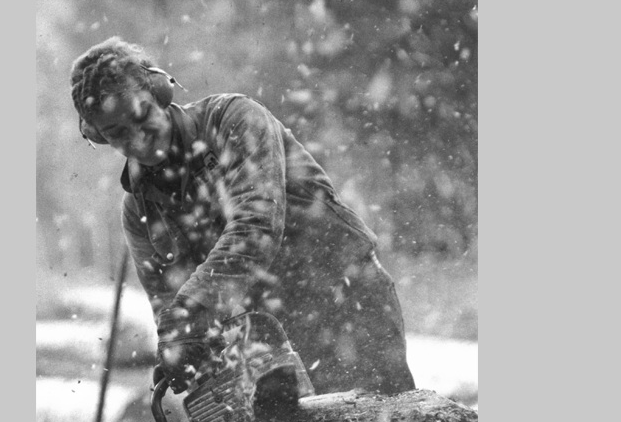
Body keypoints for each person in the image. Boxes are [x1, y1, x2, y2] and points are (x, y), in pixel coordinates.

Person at [70, 37, 416, 396]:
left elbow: (257, 225)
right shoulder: (139, 210)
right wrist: (180, 349)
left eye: (142, 118)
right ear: (100, 136)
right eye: (119, 134)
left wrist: (191, 308)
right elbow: (167, 303)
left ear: (160, 93)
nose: (139, 140)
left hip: (339, 296)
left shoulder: (232, 119)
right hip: (269, 338)